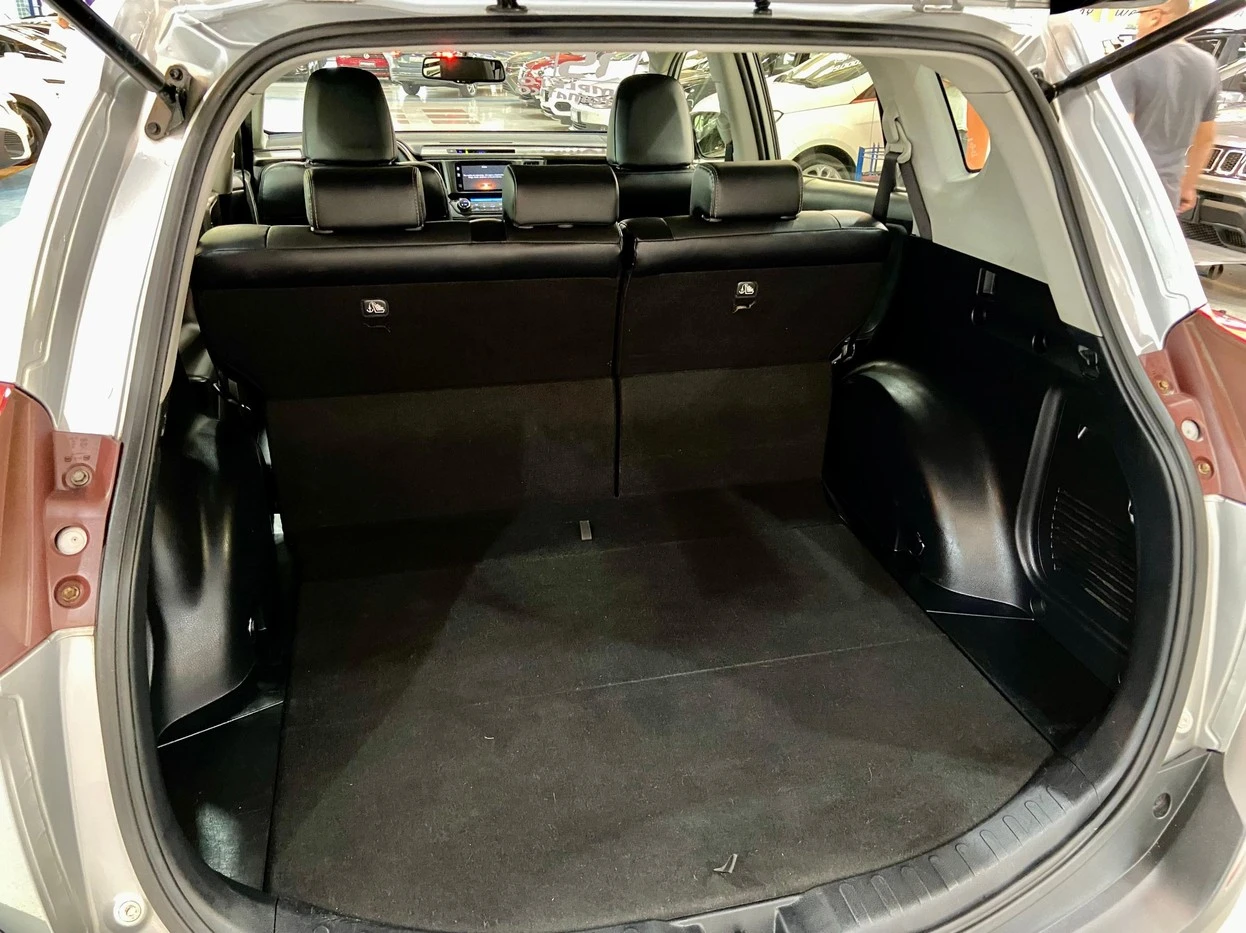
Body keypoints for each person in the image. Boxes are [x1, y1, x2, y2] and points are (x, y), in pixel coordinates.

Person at [1112, 0, 1220, 214]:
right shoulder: (1208, 65)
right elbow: (1206, 138)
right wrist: (1188, 185)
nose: (1138, 22)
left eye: (1140, 14)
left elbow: (1120, 135)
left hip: (1126, 188)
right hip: (1169, 189)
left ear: (1155, 16)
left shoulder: (1129, 60)